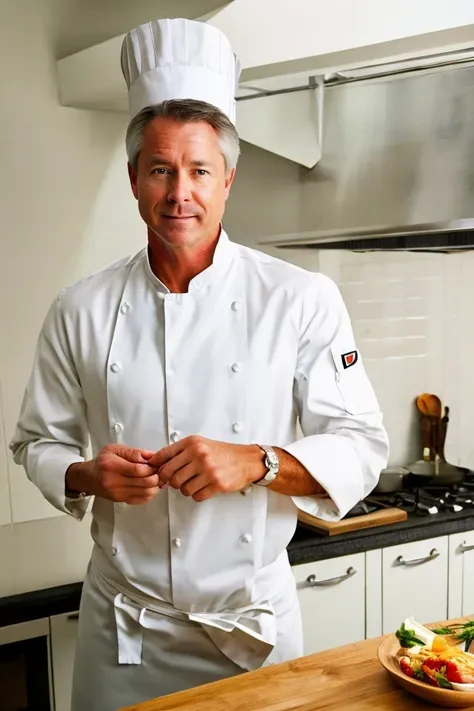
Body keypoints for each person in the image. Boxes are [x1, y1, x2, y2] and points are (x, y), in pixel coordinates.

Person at [10, 17, 389, 711]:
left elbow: (360, 443)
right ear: (133, 179)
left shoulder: (301, 299)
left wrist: (260, 462)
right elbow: (35, 441)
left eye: (198, 170)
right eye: (160, 169)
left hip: (254, 628)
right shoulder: (81, 308)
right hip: (126, 632)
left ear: (227, 180)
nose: (179, 191)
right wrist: (86, 472)